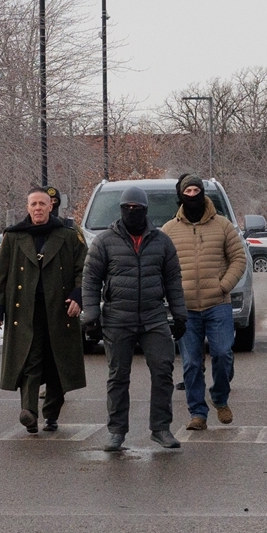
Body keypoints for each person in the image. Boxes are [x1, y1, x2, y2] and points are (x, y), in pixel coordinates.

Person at [82, 186, 187, 451]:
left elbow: (173, 279)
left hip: (153, 317)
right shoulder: (105, 241)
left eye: (137, 209)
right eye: (127, 208)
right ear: (120, 210)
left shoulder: (162, 242)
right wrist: (91, 315)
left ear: (145, 211)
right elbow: (91, 279)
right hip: (118, 318)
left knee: (163, 371)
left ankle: (161, 428)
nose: (132, 213)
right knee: (118, 376)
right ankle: (116, 431)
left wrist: (180, 314)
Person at [0, 187, 87, 433]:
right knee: (29, 359)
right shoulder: (14, 236)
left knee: (58, 362)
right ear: (27, 208)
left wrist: (78, 295)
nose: (38, 208)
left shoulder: (66, 235)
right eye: (33, 204)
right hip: (25, 311)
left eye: (42, 204)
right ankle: (29, 411)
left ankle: (52, 413)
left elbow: (83, 268)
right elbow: (0, 274)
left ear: (50, 207)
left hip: (60, 310)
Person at [162, 174, 247, 431]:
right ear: (180, 195)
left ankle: (220, 397)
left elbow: (239, 259)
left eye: (196, 190)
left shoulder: (222, 225)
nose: (192, 195)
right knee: (191, 363)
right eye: (187, 190)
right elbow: (160, 266)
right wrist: (170, 295)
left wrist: (223, 286)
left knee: (222, 353)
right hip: (185, 308)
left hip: (217, 304)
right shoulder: (168, 230)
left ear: (203, 193)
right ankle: (197, 413)